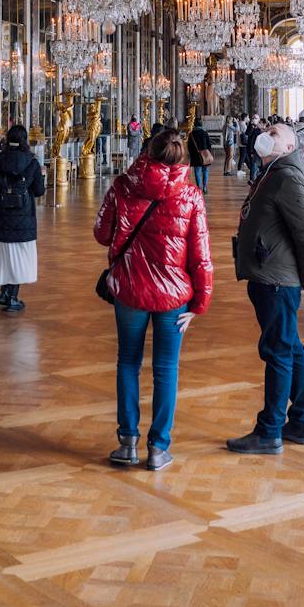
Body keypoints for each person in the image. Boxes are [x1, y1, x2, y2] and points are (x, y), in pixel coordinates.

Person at [94, 127, 213, 471]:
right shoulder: (191, 196)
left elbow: (102, 234)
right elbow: (200, 255)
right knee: (166, 370)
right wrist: (200, 303)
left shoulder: (122, 186)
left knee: (128, 363)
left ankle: (127, 442)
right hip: (174, 297)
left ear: (146, 152)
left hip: (130, 289)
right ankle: (158, 448)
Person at [227, 121, 304, 453]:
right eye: (267, 130)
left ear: (288, 147)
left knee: (279, 352)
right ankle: (300, 421)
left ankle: (270, 430)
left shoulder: (287, 177)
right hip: (269, 277)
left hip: (278, 281)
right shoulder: (271, 173)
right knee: (290, 348)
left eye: (274, 134)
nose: (266, 135)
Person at [0, 123, 46, 313]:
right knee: (22, 258)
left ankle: (5, 293)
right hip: (23, 217)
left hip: (1, 215)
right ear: (24, 140)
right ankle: (11, 297)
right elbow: (38, 191)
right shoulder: (32, 162)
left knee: (6, 257)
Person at [188, 117, 213, 192]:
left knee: (197, 171)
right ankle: (205, 187)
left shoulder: (192, 134)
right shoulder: (204, 133)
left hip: (195, 155)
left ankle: (199, 188)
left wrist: (192, 154)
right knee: (205, 171)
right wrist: (208, 153)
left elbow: (189, 146)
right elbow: (209, 144)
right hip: (205, 155)